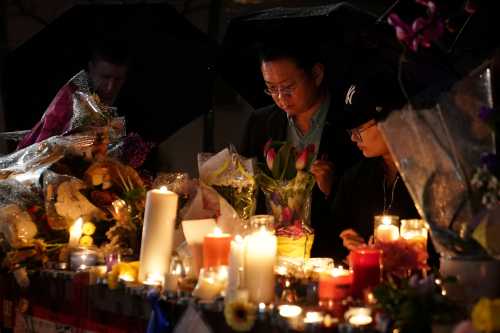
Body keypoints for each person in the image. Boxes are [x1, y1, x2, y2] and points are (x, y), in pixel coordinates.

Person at [241, 38, 361, 256]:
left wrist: (332, 187)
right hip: (273, 251)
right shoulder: (261, 122)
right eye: (272, 89)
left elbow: (362, 197)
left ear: (316, 74)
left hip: (330, 252)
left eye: (288, 87)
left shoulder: (349, 122)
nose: (280, 98)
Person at [330, 71, 421, 260]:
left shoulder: (429, 176)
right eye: (350, 130)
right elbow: (336, 231)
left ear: (392, 121)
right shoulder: (355, 178)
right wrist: (350, 242)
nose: (353, 137)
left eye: (359, 129)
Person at [17, 38, 130, 150]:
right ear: (91, 69)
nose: (110, 87)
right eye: (105, 77)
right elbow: (41, 147)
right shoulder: (69, 99)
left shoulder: (129, 103)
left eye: (118, 79)